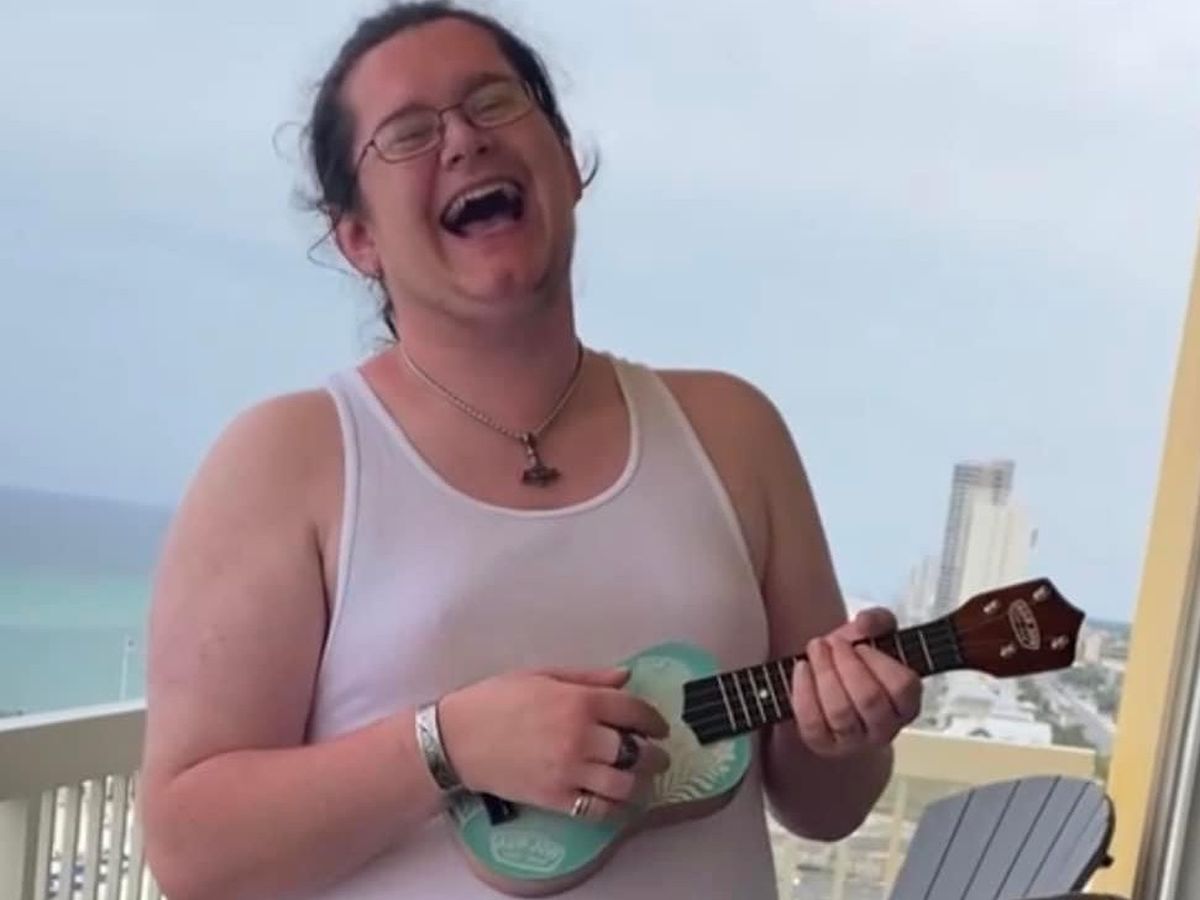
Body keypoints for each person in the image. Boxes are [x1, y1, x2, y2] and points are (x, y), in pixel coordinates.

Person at [140, 3, 923, 898]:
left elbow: (826, 808)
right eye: (408, 133)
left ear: (568, 161)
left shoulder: (734, 432)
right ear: (358, 238)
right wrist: (446, 746)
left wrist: (846, 730)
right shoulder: (286, 459)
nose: (464, 139)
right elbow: (192, 851)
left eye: (494, 102)